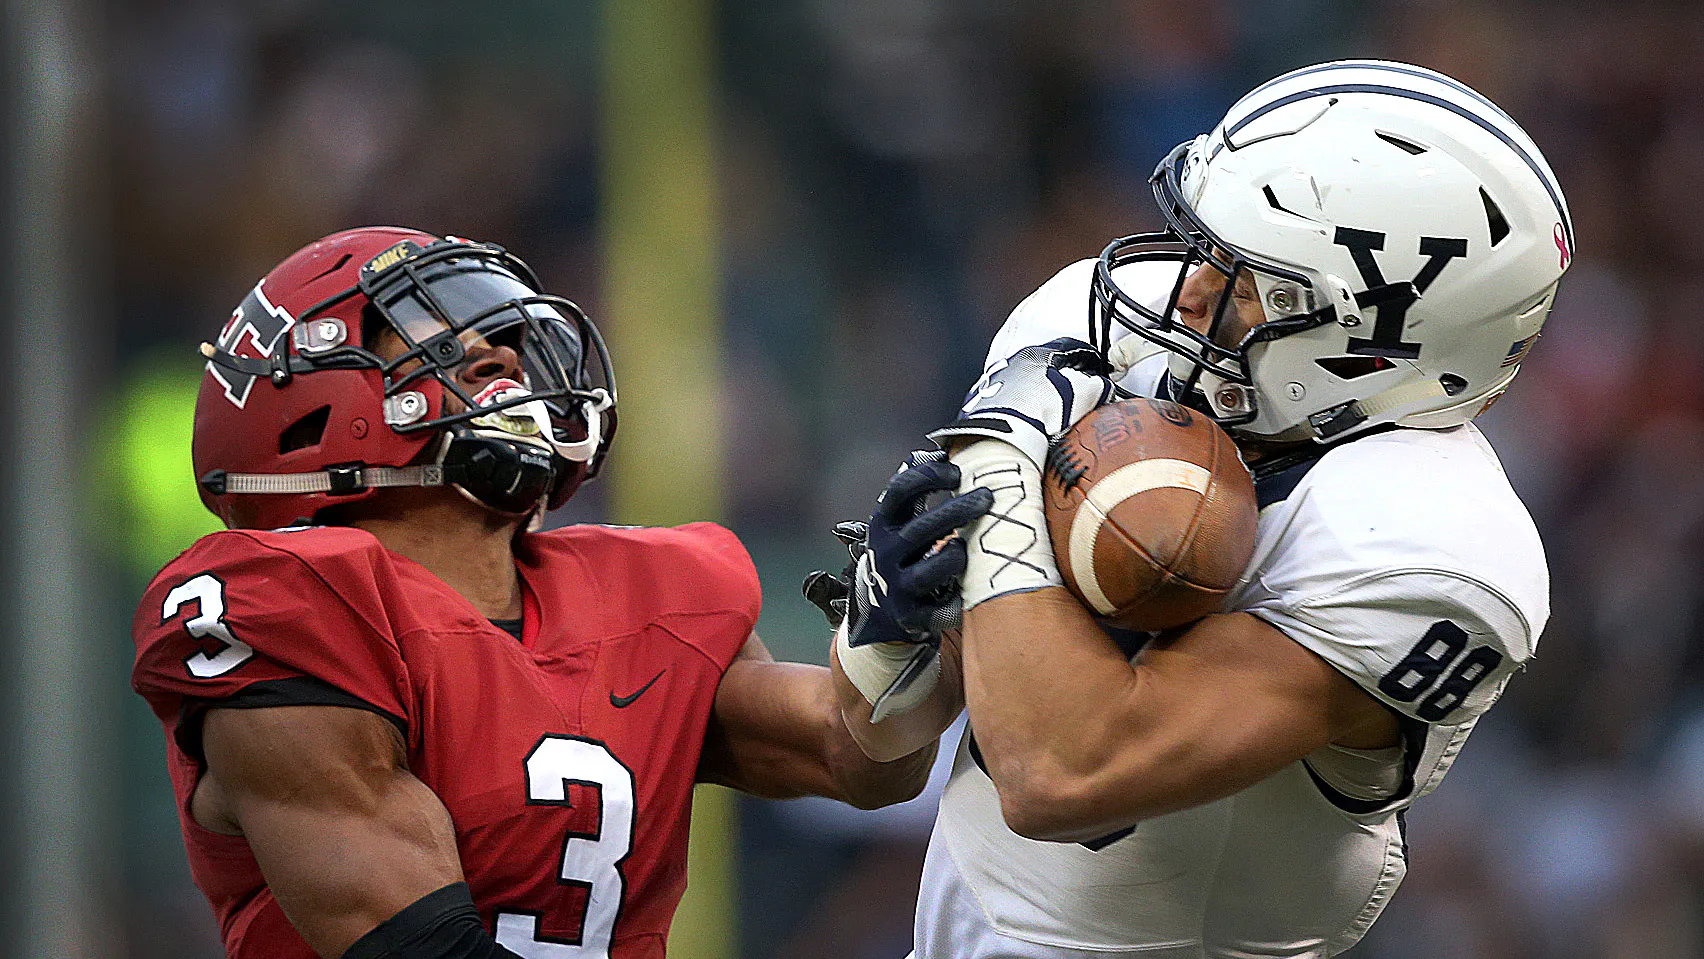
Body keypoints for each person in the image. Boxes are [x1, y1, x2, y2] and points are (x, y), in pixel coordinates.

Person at [836, 60, 1573, 957]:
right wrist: (889, 627)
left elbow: (1061, 771)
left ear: (1368, 341)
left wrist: (998, 475)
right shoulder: (1127, 341)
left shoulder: (1427, 544)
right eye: (1205, 250)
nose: (1185, 290)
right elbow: (877, 747)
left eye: (1248, 277)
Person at [129, 226, 989, 959]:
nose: (498, 351)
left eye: (501, 332)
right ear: (313, 400)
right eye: (433, 329)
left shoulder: (646, 588)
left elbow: (856, 757)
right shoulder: (286, 602)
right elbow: (417, 943)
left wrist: (892, 643)